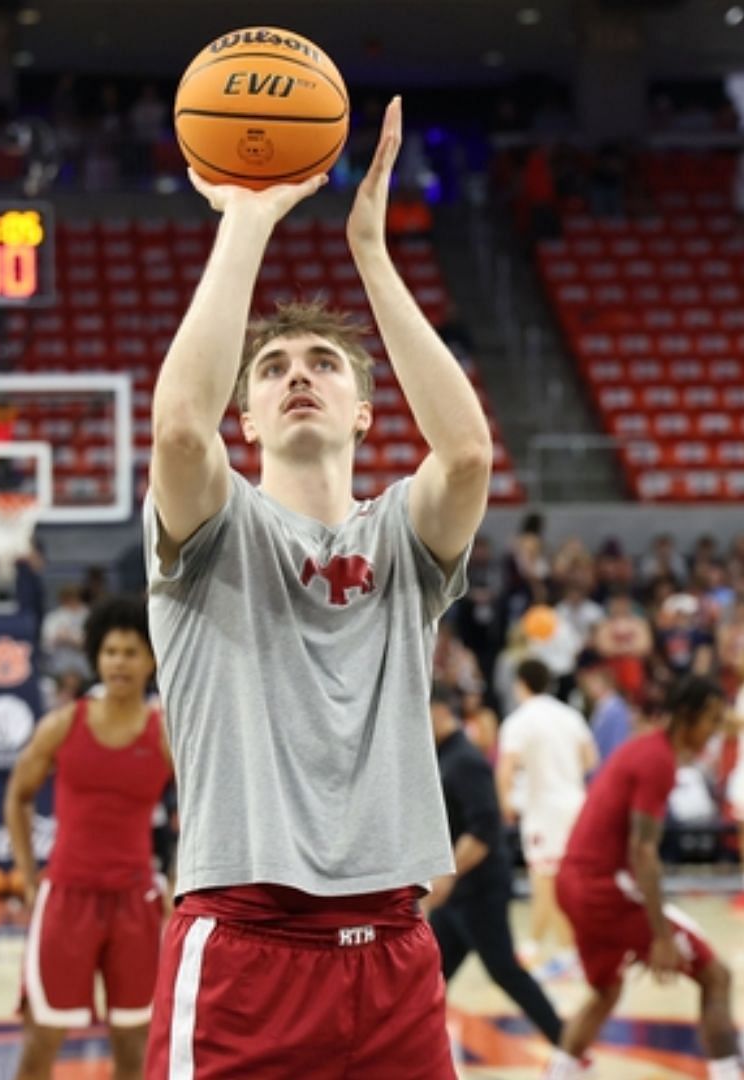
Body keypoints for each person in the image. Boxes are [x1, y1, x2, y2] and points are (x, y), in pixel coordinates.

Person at [143, 98, 490, 1076]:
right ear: (245, 416)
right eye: (275, 368)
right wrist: (246, 219)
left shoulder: (402, 536)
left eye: (325, 364)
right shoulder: (215, 526)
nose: (299, 375)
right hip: (244, 935)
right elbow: (177, 431)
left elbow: (465, 453)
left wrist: (371, 253)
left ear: (368, 412)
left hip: (393, 943)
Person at [3, 596, 171, 1080]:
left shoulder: (165, 735)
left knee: (134, 1048)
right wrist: (25, 873)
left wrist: (179, 880)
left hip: (137, 901)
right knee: (40, 1041)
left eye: (132, 652)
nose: (120, 661)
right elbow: (18, 796)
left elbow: (205, 808)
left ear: (152, 660)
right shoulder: (62, 725)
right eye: (112, 651)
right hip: (67, 897)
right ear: (98, 657)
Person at [544, 677, 740, 1080]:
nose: (715, 730)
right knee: (716, 976)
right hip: (604, 889)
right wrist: (661, 937)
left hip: (573, 882)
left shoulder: (644, 748)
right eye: (711, 719)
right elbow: (643, 850)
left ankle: (557, 1074)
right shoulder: (658, 760)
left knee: (605, 992)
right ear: (688, 715)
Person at [422, 686, 564, 1049]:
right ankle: (407, 1051)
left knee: (505, 971)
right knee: (427, 977)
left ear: (439, 711)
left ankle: (568, 1046)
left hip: (479, 889)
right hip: (457, 895)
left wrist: (446, 874)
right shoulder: (442, 756)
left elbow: (485, 828)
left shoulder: (465, 761)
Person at [495, 657, 596, 979]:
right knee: (565, 883)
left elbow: (505, 767)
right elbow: (591, 758)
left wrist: (506, 805)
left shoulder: (519, 721)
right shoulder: (569, 714)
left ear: (520, 683)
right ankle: (564, 952)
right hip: (577, 806)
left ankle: (541, 950)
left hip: (544, 811)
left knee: (545, 884)